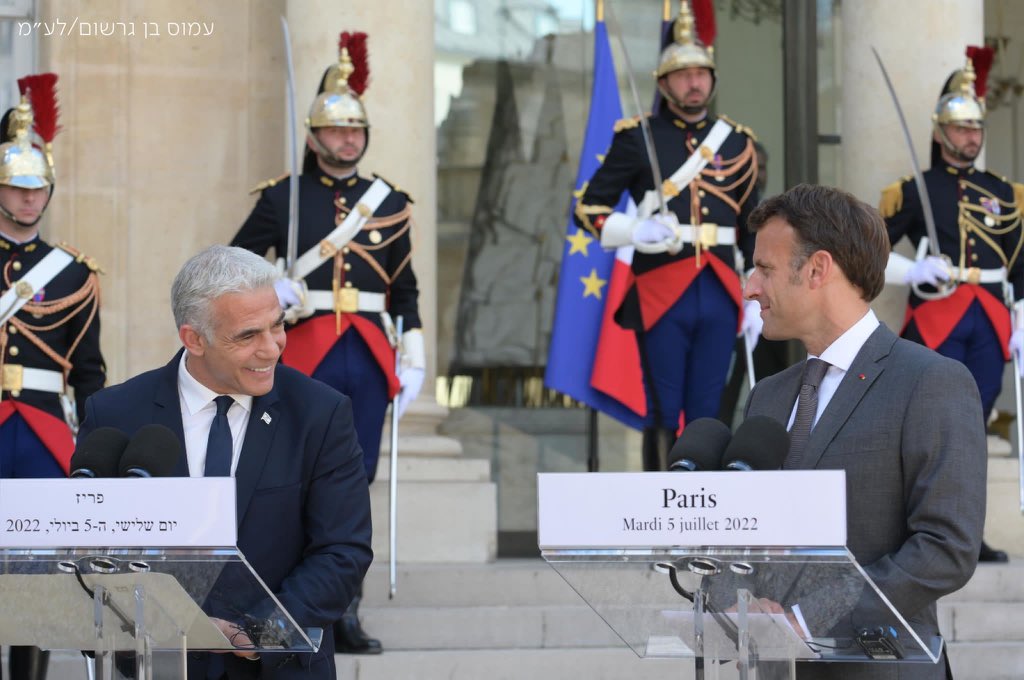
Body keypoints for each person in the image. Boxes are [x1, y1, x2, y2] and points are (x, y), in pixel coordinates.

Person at [77, 245, 373, 679]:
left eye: (278, 326)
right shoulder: (115, 413)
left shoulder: (320, 413)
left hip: (280, 666)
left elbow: (343, 549)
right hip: (155, 664)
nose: (272, 349)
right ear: (193, 339)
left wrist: (262, 634)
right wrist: (168, 627)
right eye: (248, 335)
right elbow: (94, 553)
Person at [743, 184, 986, 679]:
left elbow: (946, 548)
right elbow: (747, 533)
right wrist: (732, 600)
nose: (750, 286)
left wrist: (810, 619)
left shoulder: (929, 382)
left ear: (817, 270)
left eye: (764, 269)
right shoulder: (766, 395)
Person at [231, 31, 422, 653]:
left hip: (367, 355)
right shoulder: (282, 198)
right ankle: (290, 601)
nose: (348, 141)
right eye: (336, 132)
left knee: (355, 480)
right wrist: (271, 288)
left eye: (355, 132)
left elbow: (405, 289)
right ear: (314, 136)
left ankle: (344, 611)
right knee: (290, 477)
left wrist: (414, 348)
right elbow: (229, 269)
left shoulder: (388, 203)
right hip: (302, 349)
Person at [574, 0, 759, 469]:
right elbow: (586, 208)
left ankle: (709, 511)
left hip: (719, 286)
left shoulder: (738, 142)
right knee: (662, 405)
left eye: (701, 74)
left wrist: (758, 293)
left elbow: (752, 226)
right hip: (660, 286)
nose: (693, 82)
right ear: (663, 83)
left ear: (712, 79)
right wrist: (636, 229)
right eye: (682, 75)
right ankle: (661, 504)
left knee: (710, 408)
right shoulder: (637, 137)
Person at [880, 48, 1018, 563]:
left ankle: (964, 534)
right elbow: (870, 249)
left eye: (976, 128)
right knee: (926, 427)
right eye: (960, 129)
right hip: (937, 317)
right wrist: (911, 269)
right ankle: (916, 529)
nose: (971, 138)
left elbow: (1020, 262)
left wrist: (1022, 317)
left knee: (973, 427)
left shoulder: (1004, 194)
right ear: (940, 133)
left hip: (988, 319)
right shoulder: (915, 190)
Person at [0, 74, 105, 680]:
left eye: (38, 189)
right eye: (17, 189)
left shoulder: (72, 274)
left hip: (43, 431)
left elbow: (89, 371)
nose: (29, 201)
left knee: (37, 565)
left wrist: (98, 442)